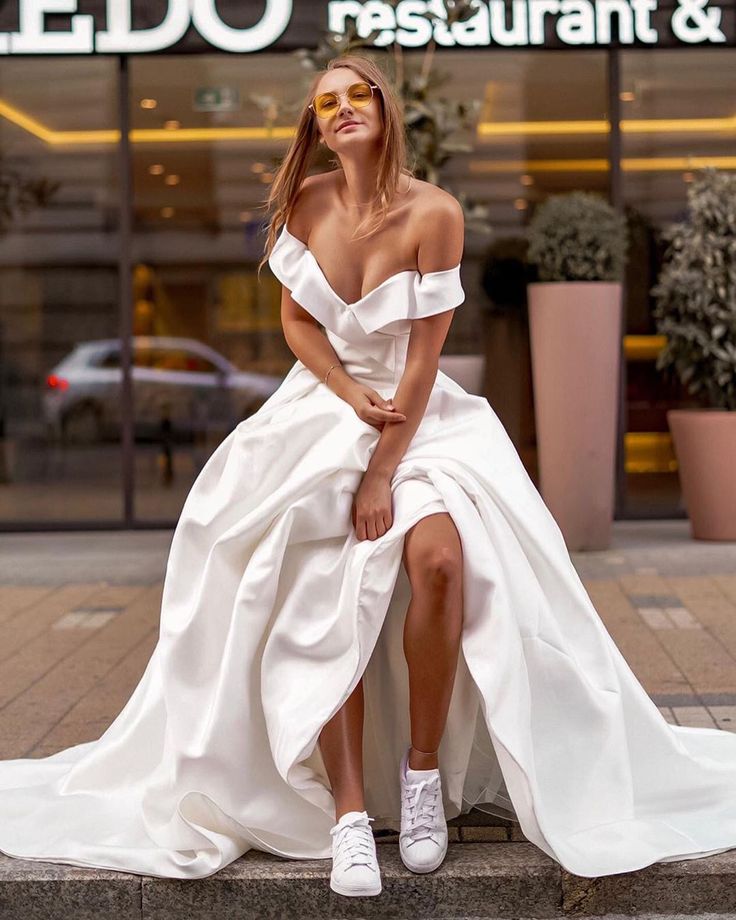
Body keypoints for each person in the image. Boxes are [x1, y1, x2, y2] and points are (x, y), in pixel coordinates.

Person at [2, 52, 736, 902]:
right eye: (326, 103)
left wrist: (382, 469)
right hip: (322, 411)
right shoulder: (305, 202)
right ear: (315, 126)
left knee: (442, 561)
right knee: (324, 577)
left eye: (358, 95)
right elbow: (295, 320)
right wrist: (348, 392)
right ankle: (349, 814)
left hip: (420, 423)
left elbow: (423, 361)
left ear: (386, 111)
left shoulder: (436, 213)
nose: (343, 109)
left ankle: (421, 775)